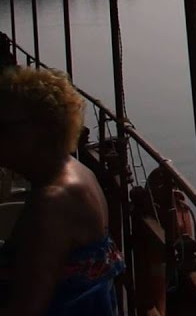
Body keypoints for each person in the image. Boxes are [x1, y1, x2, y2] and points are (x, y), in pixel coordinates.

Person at [0, 66, 122, 316]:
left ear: (43, 130)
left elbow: (26, 309)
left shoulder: (50, 203)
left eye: (5, 127)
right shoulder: (79, 172)